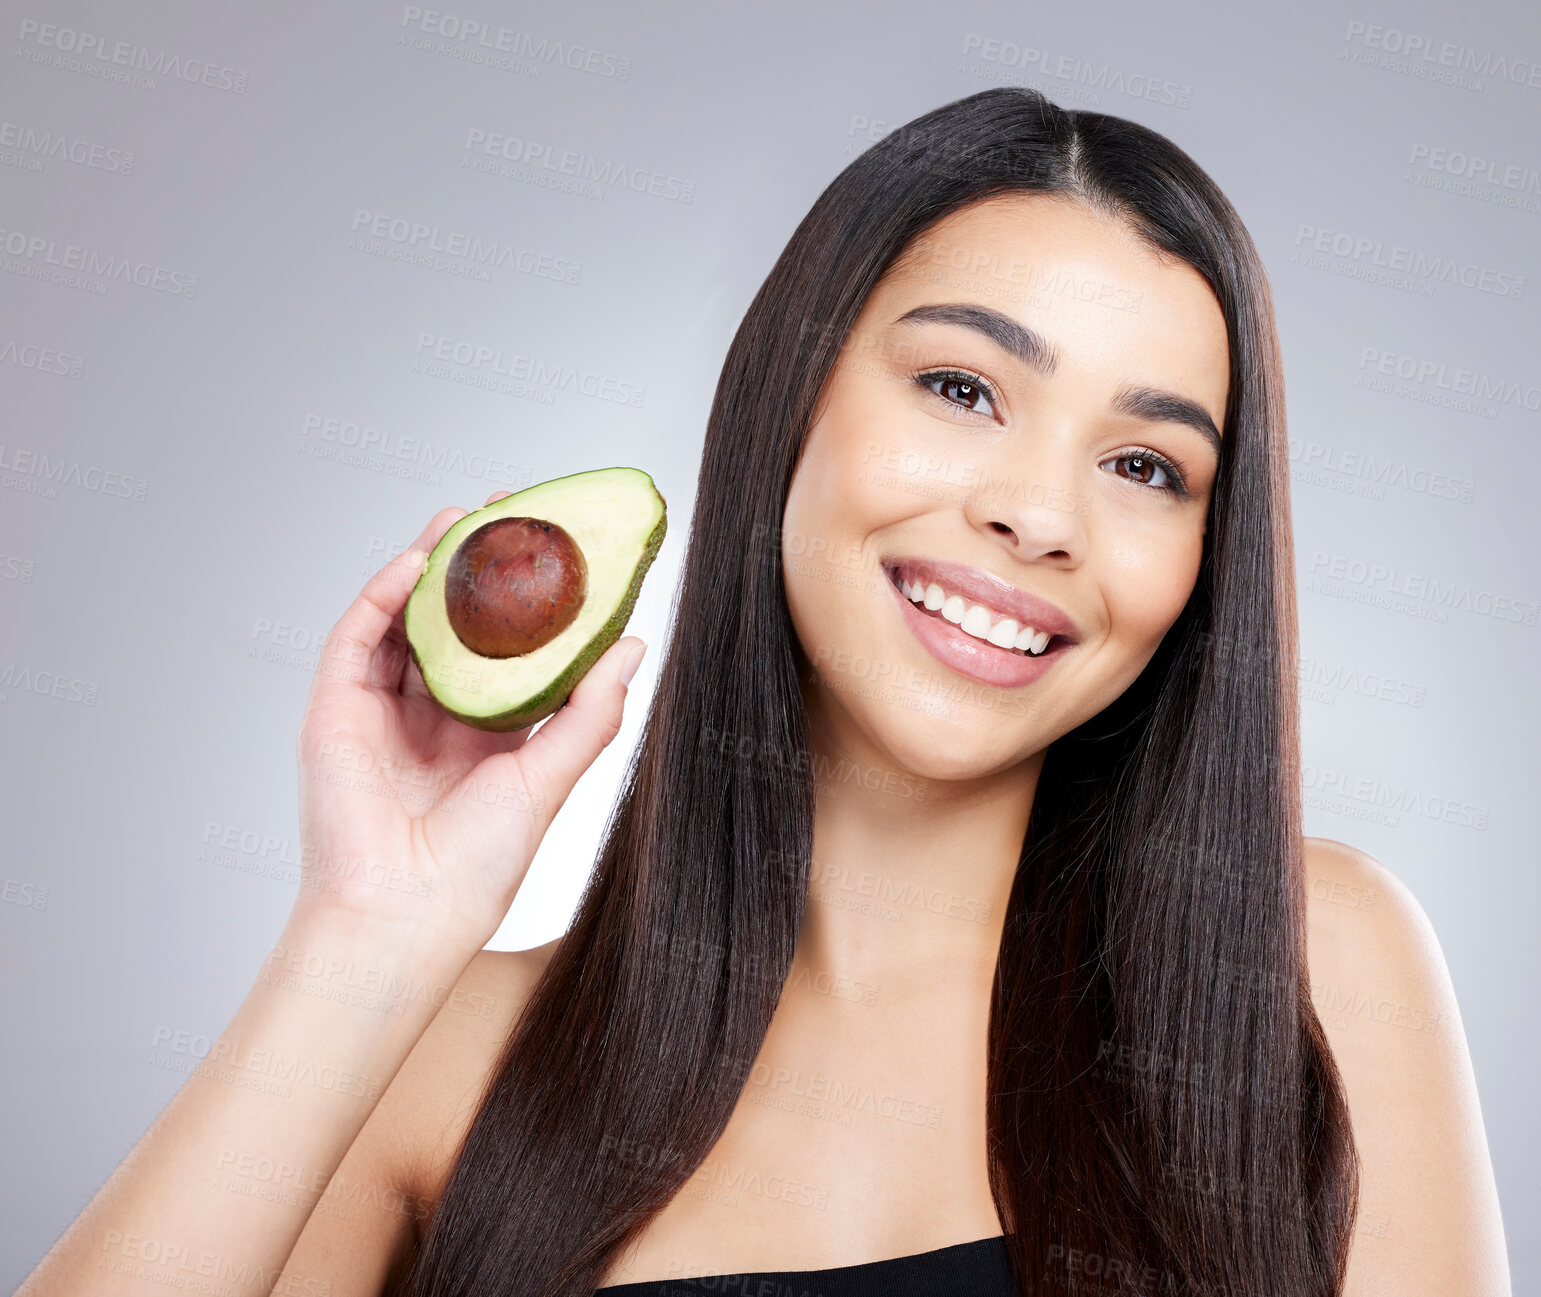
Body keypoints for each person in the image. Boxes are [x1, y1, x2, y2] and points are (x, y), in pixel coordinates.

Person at [19, 87, 1510, 1297]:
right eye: (962, 387)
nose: (1038, 514)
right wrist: (365, 932)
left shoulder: (1314, 971)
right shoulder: (448, 1062)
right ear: (789, 398)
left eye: (1143, 465)